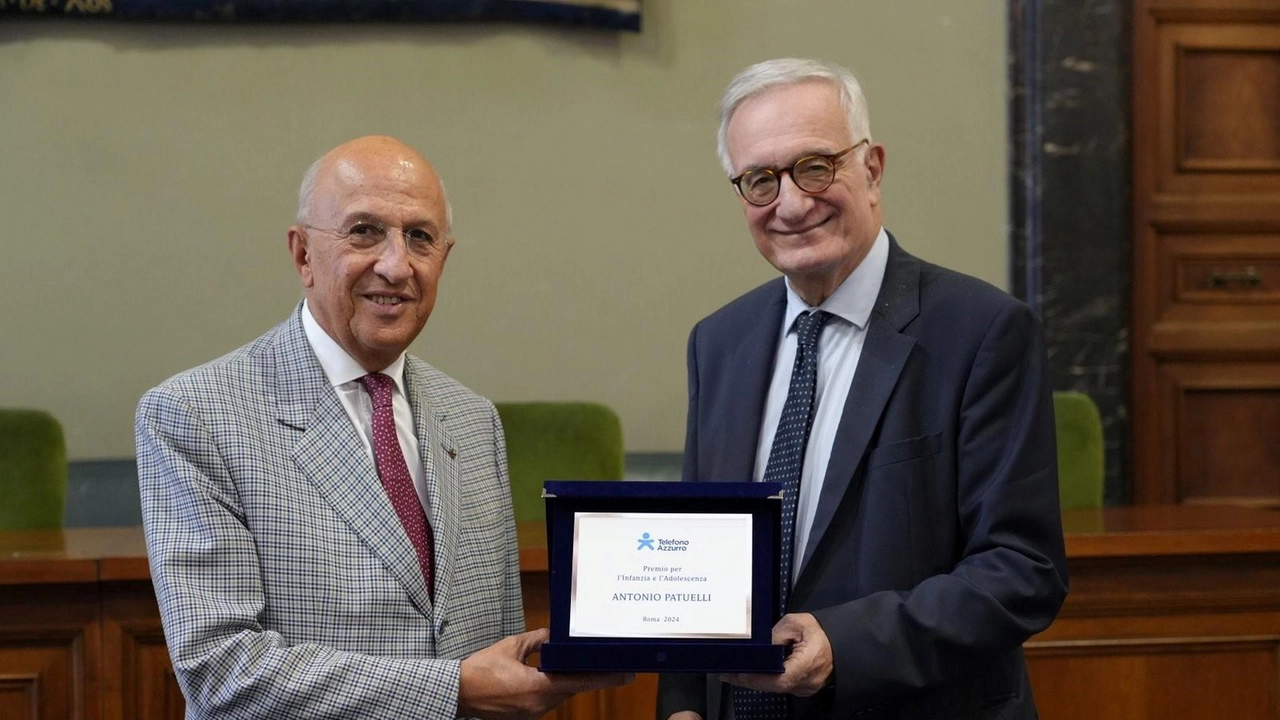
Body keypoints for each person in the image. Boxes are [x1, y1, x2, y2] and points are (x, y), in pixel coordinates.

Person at [136, 135, 626, 719]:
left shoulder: (472, 420)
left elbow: (492, 643)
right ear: (302, 255)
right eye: (364, 231)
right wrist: (455, 690)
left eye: (419, 236)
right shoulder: (196, 413)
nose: (395, 265)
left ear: (443, 258)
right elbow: (221, 670)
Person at [656, 59, 1068, 720]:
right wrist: (681, 705)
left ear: (872, 168)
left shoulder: (984, 332)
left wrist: (845, 645)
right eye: (761, 180)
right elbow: (699, 561)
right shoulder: (718, 343)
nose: (790, 203)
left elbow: (1022, 570)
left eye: (815, 167)